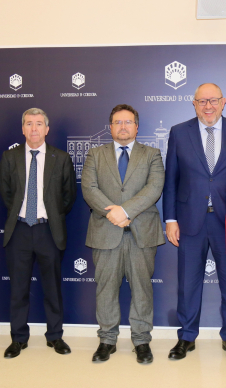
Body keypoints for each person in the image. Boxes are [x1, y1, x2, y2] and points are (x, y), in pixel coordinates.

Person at [163, 83, 226, 360]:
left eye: (213, 100)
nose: (208, 106)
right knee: (188, 285)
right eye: (202, 101)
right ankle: (186, 337)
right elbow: (171, 179)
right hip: (190, 221)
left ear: (223, 102)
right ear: (194, 104)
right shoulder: (179, 132)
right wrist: (170, 219)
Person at [81, 104, 165, 364]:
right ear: (111, 127)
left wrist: (125, 211)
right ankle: (107, 339)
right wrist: (113, 214)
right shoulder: (95, 154)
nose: (123, 127)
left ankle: (141, 341)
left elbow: (154, 188)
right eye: (118, 122)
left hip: (142, 232)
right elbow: (89, 188)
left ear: (137, 127)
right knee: (105, 288)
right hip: (106, 231)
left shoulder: (152, 154)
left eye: (128, 122)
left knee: (142, 288)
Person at [0, 108, 77, 358]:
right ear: (22, 129)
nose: (34, 128)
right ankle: (18, 338)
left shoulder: (61, 158)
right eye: (29, 124)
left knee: (52, 288)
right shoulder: (9, 157)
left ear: (47, 129)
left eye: (39, 124)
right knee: (18, 289)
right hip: (19, 229)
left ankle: (55, 337)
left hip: (48, 230)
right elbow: (7, 195)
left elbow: (68, 198)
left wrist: (49, 215)